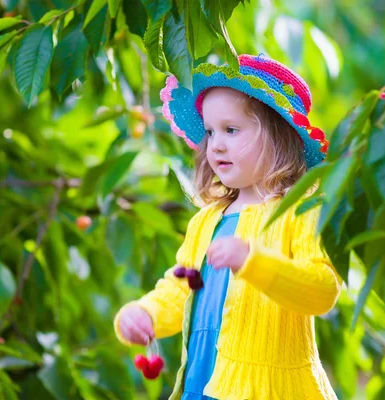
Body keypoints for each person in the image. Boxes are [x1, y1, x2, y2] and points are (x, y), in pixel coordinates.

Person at [113, 54, 342, 399]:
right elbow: (180, 290)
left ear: (277, 135)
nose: (215, 144)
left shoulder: (301, 208)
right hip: (203, 382)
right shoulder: (207, 220)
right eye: (209, 132)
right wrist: (145, 313)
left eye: (231, 130)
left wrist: (253, 261)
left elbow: (322, 291)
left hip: (269, 389)